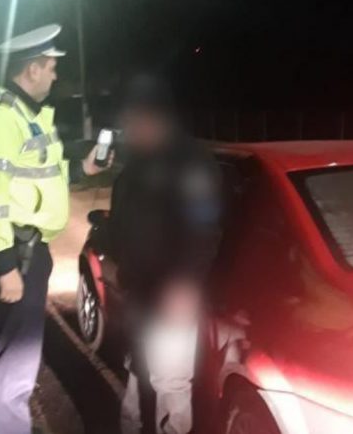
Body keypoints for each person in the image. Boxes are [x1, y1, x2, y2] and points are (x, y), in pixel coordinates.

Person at [0, 24, 111, 434]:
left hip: (30, 250)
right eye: (50, 67)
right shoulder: (0, 119)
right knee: (18, 357)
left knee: (16, 349)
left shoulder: (29, 115)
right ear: (32, 68)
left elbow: (41, 176)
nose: (55, 74)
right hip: (17, 253)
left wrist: (83, 169)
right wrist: (5, 267)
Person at [110, 74, 222, 434]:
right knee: (138, 370)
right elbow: (123, 221)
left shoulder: (192, 162)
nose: (127, 128)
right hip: (139, 291)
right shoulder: (137, 165)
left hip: (172, 295)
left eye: (131, 119)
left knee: (170, 383)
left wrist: (184, 286)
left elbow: (203, 230)